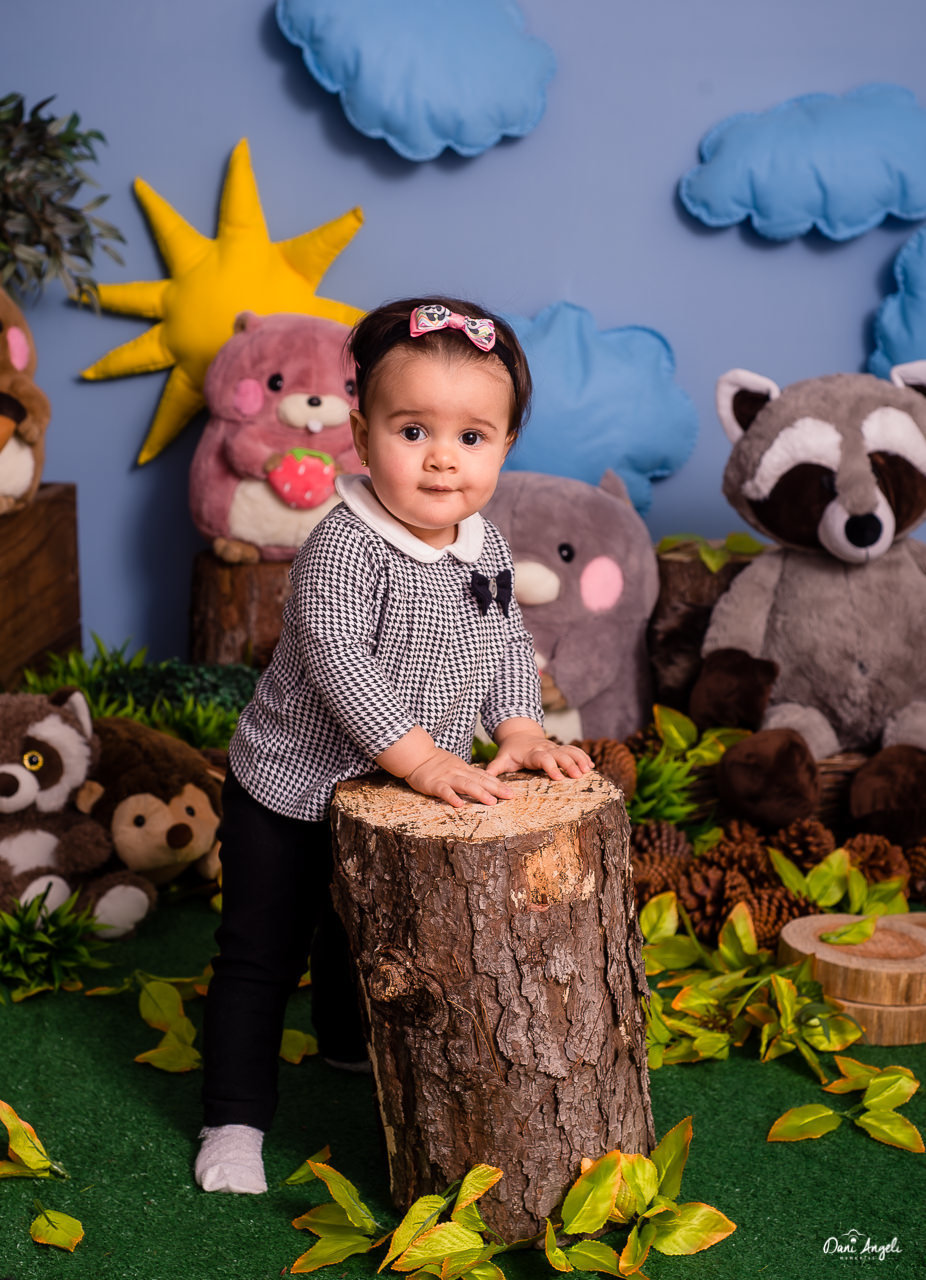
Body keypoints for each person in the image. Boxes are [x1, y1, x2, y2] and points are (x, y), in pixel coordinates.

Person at [195, 296, 593, 1194]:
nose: (442, 458)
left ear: (505, 446)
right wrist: (423, 759)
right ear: (361, 436)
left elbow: (501, 641)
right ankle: (234, 1116)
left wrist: (518, 726)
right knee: (261, 954)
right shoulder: (344, 547)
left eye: (472, 437)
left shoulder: (486, 545)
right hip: (293, 791)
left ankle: (345, 1044)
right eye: (413, 431)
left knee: (361, 930)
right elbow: (339, 662)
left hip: (393, 798)